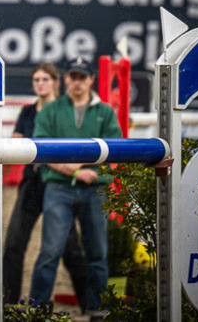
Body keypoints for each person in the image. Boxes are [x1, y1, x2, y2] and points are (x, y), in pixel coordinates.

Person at [29, 56, 122, 319]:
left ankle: (97, 309)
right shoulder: (51, 110)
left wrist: (73, 164)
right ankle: (36, 311)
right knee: (50, 252)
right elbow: (41, 148)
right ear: (66, 79)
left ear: (91, 80)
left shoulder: (105, 112)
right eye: (73, 76)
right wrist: (78, 170)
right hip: (61, 188)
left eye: (82, 77)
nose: (77, 81)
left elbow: (115, 150)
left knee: (97, 253)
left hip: (93, 188)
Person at [2, 62, 87, 307]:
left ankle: (92, 305)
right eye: (36, 80)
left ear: (55, 82)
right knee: (13, 246)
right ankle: (9, 305)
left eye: (45, 79)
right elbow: (15, 144)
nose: (40, 84)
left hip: (58, 186)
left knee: (70, 251)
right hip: (31, 183)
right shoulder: (28, 112)